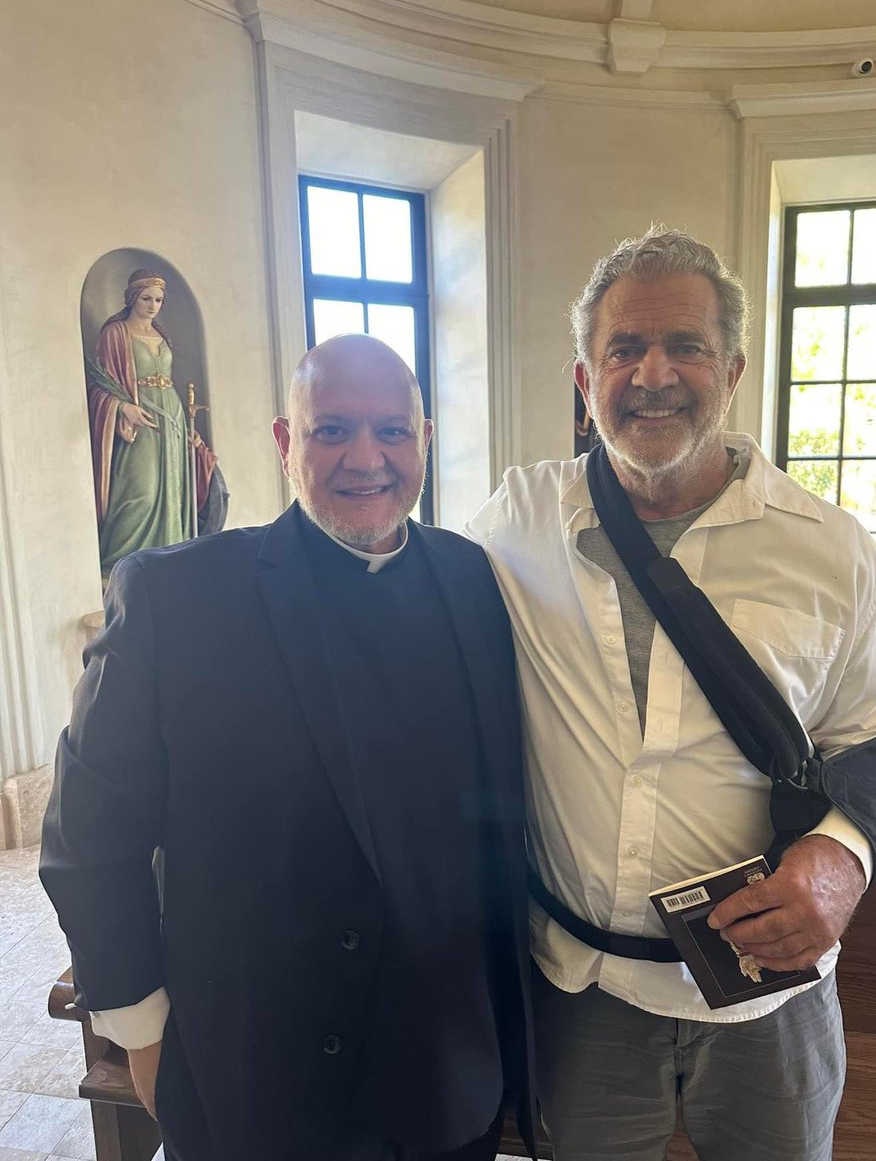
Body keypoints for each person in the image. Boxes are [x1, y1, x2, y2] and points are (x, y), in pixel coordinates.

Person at [43, 335, 535, 1161]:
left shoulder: (474, 580)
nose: (366, 458)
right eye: (331, 430)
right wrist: (139, 1029)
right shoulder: (178, 597)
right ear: (283, 443)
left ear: (427, 439)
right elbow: (88, 830)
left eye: (392, 431)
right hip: (252, 1078)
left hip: (446, 1074)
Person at [467, 227, 876, 1161]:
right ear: (585, 380)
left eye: (687, 347)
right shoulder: (515, 522)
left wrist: (843, 861)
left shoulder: (834, 551)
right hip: (583, 993)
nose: (652, 373)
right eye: (622, 349)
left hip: (770, 997)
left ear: (733, 369)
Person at [86, 269, 217, 578]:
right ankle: (120, 564)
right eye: (146, 298)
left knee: (174, 488)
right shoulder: (115, 333)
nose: (153, 305)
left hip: (170, 416)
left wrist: (186, 425)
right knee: (140, 492)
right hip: (139, 419)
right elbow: (99, 386)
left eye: (159, 300)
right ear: (132, 297)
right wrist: (122, 408)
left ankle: (169, 559)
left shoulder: (161, 333)